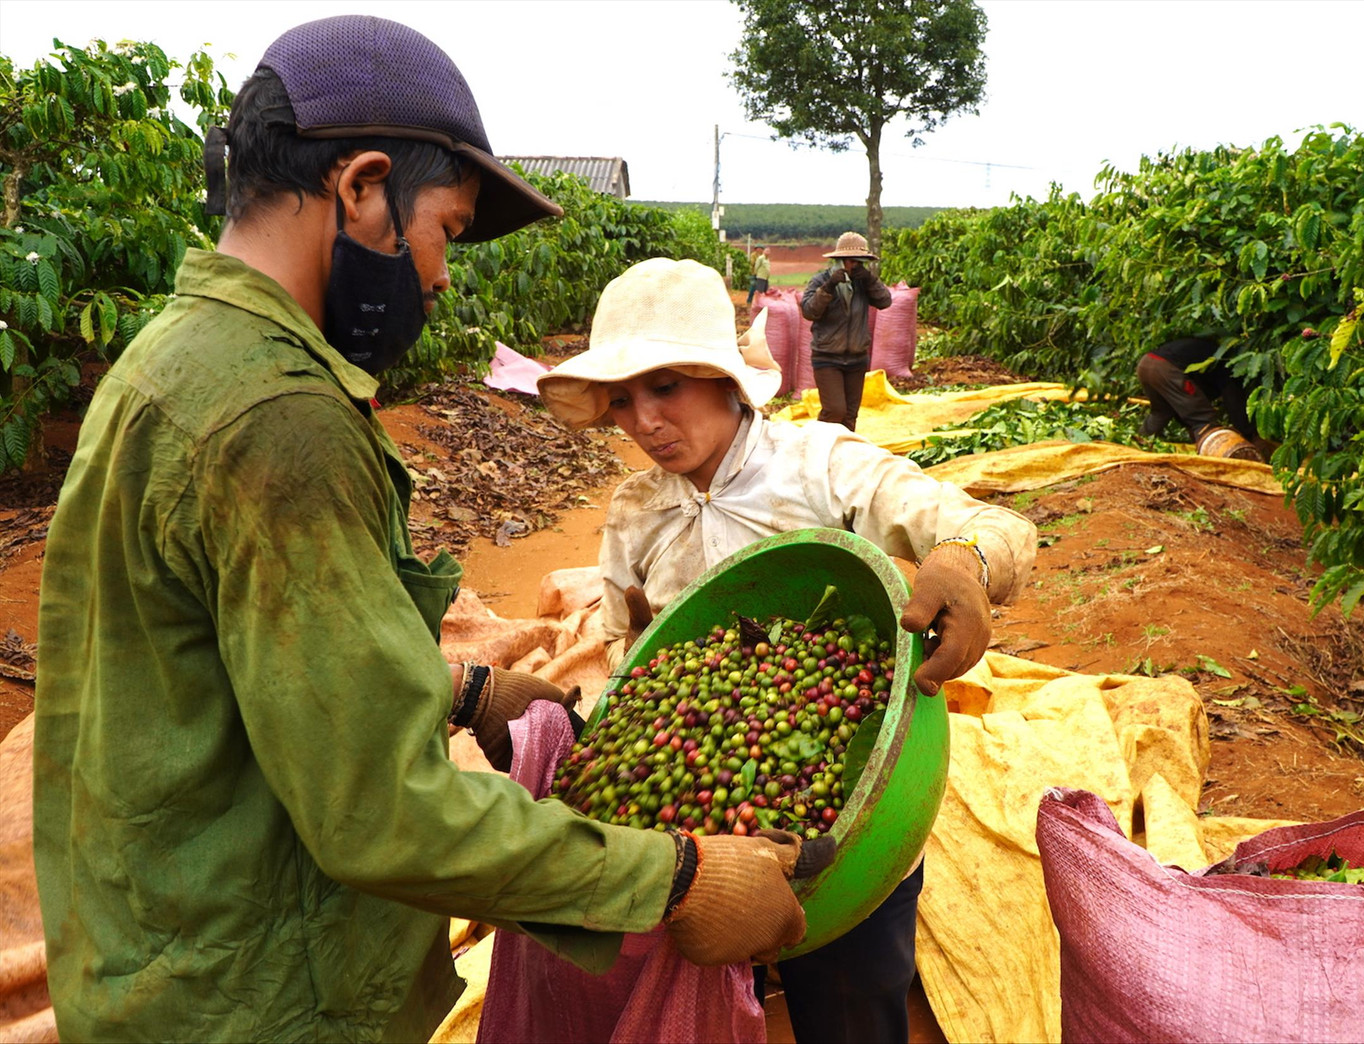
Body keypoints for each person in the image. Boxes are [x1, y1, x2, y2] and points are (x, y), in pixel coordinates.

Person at [32, 17, 811, 1042]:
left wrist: (456, 687)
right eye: (443, 226)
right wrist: (676, 877)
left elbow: (218, 659)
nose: (441, 277)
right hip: (264, 993)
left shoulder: (172, 358)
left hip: (156, 957)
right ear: (361, 186)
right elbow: (378, 814)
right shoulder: (281, 419)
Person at [537, 258, 1038, 1043]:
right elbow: (629, 659)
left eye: (665, 387)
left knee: (849, 1005)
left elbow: (990, 524)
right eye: (622, 401)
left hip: (855, 817)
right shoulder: (635, 510)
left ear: (727, 381)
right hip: (705, 846)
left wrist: (965, 561)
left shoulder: (819, 463)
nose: (642, 422)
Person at [800, 231, 894, 431]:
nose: (856, 266)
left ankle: (843, 455)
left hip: (856, 358)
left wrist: (870, 280)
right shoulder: (821, 281)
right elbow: (809, 311)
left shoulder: (864, 283)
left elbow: (885, 301)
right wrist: (829, 286)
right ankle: (818, 448)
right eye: (852, 261)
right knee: (834, 411)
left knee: (850, 416)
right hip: (827, 358)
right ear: (840, 260)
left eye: (860, 262)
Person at [1137, 336, 1274, 460]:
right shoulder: (1227, 365)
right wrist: (1249, 433)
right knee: (1203, 419)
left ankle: (1140, 442)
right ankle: (1219, 458)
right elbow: (1234, 399)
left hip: (1146, 364)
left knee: (1161, 412)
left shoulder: (1210, 353)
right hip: (1165, 368)